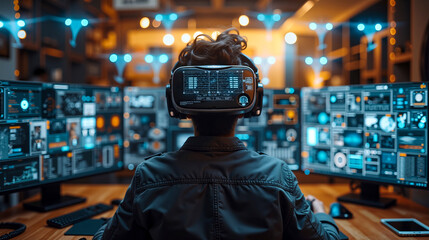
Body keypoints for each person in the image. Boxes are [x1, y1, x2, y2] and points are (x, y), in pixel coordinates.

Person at [94, 28, 340, 240]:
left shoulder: (149, 177)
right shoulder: (277, 177)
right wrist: (320, 213)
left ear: (176, 104)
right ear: (252, 106)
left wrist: (120, 216)